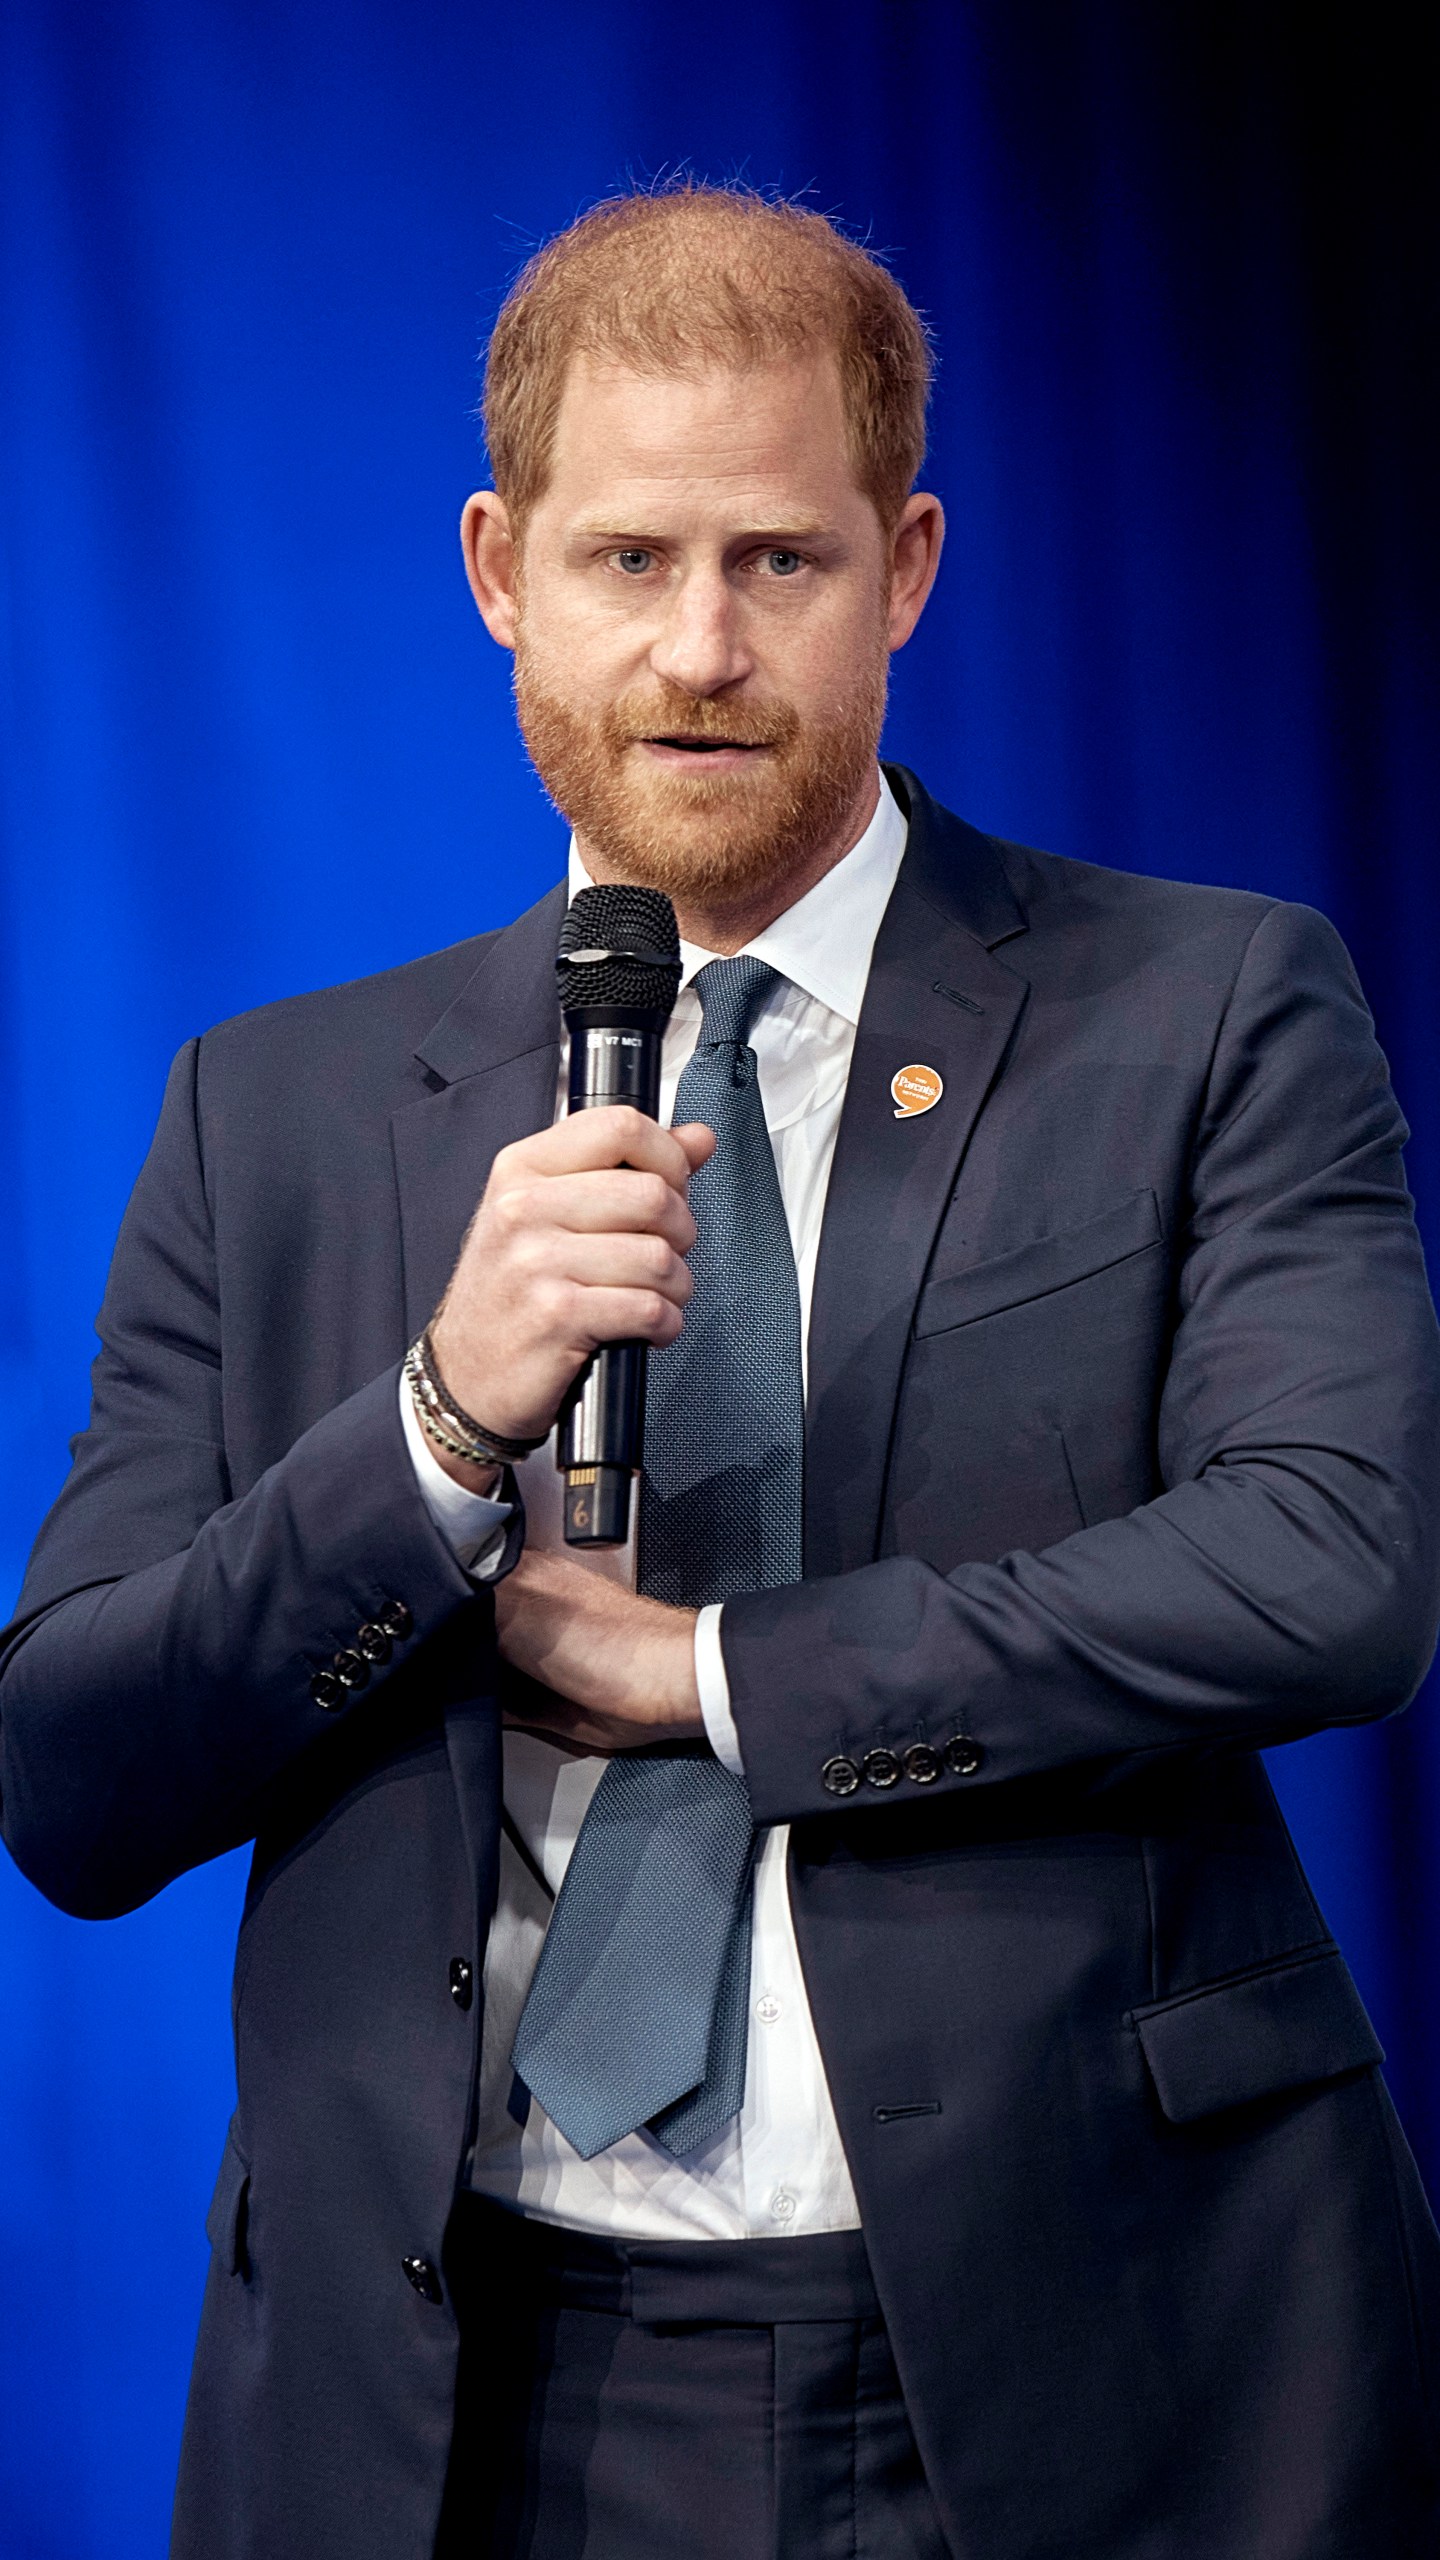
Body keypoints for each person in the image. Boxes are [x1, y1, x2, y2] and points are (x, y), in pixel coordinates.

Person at [3, 182, 1439, 2560]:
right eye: (628, 557)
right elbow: (70, 1774)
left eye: (780, 560)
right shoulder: (262, 1116)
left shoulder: (1205, 1009)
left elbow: (1336, 1564)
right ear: (498, 565)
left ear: (911, 565)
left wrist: (716, 1672)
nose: (698, 647)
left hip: (1086, 2357)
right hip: (455, 2393)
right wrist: (439, 1423)